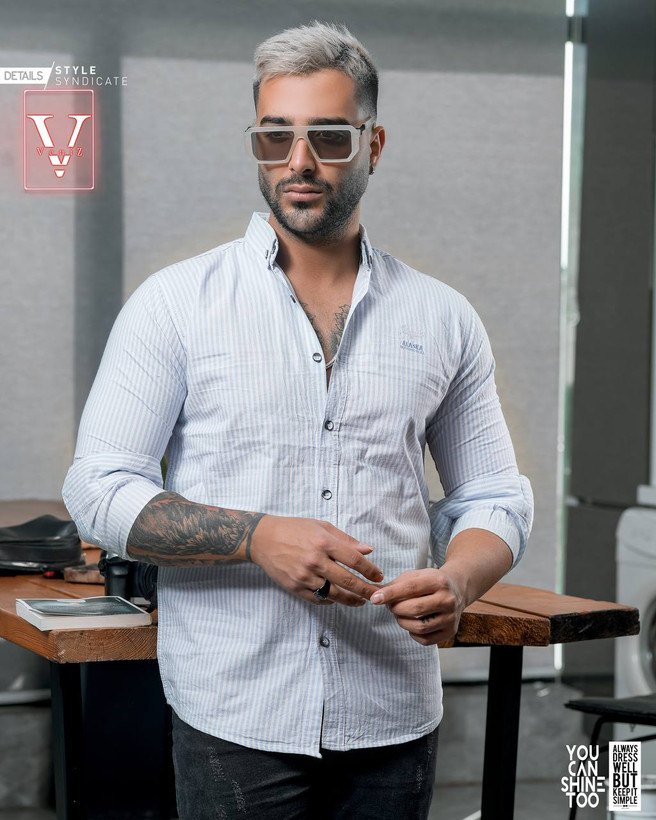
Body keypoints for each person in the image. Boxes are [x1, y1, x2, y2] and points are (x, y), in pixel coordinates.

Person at [62, 20, 534, 820]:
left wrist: (459, 580)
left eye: (329, 137)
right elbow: (99, 489)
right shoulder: (174, 305)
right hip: (235, 715)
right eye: (274, 137)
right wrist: (257, 537)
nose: (299, 162)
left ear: (373, 144)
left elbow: (495, 495)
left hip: (394, 712)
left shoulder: (443, 318)